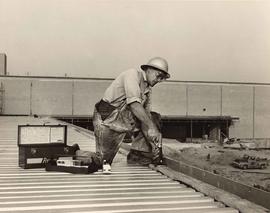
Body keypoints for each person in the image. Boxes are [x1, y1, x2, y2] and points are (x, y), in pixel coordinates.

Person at [75, 57, 170, 173]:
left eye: (162, 78)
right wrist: (152, 127)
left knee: (152, 118)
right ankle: (74, 151)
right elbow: (134, 105)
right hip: (107, 120)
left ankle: (139, 155)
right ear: (149, 70)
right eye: (159, 75)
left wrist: (154, 143)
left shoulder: (147, 90)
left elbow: (146, 119)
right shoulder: (132, 75)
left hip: (122, 121)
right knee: (102, 161)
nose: (159, 80)